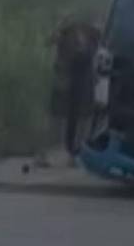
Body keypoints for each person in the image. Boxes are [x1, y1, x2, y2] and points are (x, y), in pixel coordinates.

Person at [36, 13, 101, 167]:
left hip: (80, 80)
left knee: (78, 118)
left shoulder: (91, 34)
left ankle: (73, 153)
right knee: (59, 118)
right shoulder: (68, 33)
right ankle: (47, 154)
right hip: (67, 80)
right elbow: (50, 41)